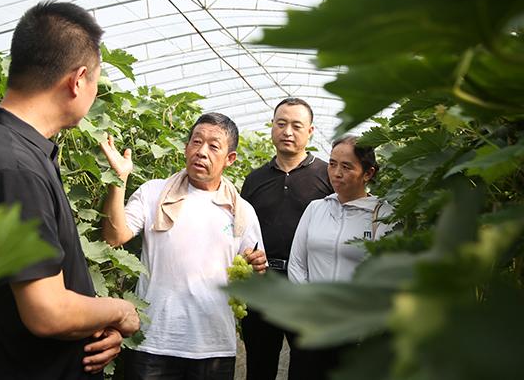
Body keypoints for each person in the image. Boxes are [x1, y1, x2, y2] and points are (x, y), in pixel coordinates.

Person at [0, 1, 140, 380]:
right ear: (78, 80)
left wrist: (93, 327)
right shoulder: (12, 167)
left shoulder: (9, 149)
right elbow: (47, 312)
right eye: (97, 80)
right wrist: (119, 311)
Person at [100, 112, 267, 380]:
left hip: (213, 347)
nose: (202, 152)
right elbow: (114, 236)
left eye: (214, 146)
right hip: (152, 341)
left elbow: (250, 273)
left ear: (230, 159)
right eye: (196, 142)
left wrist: (257, 268)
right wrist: (118, 181)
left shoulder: (241, 211)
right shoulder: (153, 192)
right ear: (186, 147)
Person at [240, 97, 333, 380]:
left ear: (310, 131)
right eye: (281, 124)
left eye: (296, 125)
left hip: (305, 288)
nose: (287, 132)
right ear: (272, 127)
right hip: (262, 285)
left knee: (308, 366)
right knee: (259, 365)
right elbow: (240, 230)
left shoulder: (327, 175)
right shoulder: (255, 180)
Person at [287, 135, 394, 380]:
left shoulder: (384, 216)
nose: (336, 173)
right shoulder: (316, 209)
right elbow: (296, 264)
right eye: (332, 163)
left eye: (347, 167)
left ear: (368, 173)